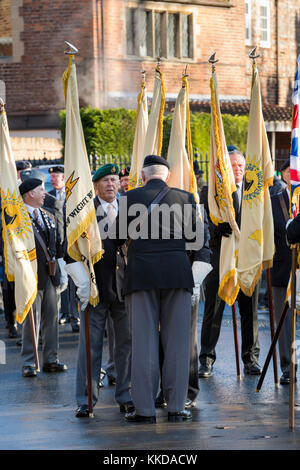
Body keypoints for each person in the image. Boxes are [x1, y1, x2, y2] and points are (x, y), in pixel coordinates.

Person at [113, 154, 206, 423]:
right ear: (167, 176)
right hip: (177, 274)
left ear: (142, 175)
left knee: (143, 343)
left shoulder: (128, 198)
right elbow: (196, 238)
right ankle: (176, 407)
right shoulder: (186, 197)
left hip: (141, 275)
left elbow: (118, 237)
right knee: (177, 343)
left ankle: (144, 410)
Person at [74, 163, 132, 418]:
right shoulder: (85, 212)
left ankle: (127, 396)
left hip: (124, 287)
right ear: (96, 185)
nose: (111, 184)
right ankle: (86, 399)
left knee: (126, 346)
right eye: (106, 180)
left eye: (114, 180)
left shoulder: (130, 209)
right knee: (90, 346)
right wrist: (80, 282)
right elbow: (71, 248)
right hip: (95, 287)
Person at [198, 146, 261, 378]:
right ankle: (206, 358)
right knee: (213, 309)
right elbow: (200, 224)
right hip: (220, 256)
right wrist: (216, 229)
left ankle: (251, 358)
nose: (238, 170)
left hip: (247, 258)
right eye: (233, 165)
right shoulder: (210, 192)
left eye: (241, 166)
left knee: (249, 311)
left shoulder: (254, 191)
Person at [19, 177, 67, 377]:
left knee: (52, 317)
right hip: (30, 275)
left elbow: (55, 244)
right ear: (30, 193)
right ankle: (29, 361)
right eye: (41, 190)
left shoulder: (47, 215)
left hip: (50, 275)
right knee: (32, 320)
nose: (44, 193)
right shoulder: (18, 219)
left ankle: (51, 358)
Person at [270, 158, 296, 384]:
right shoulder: (273, 200)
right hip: (282, 267)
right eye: (291, 170)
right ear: (285, 173)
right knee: (283, 320)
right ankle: (288, 366)